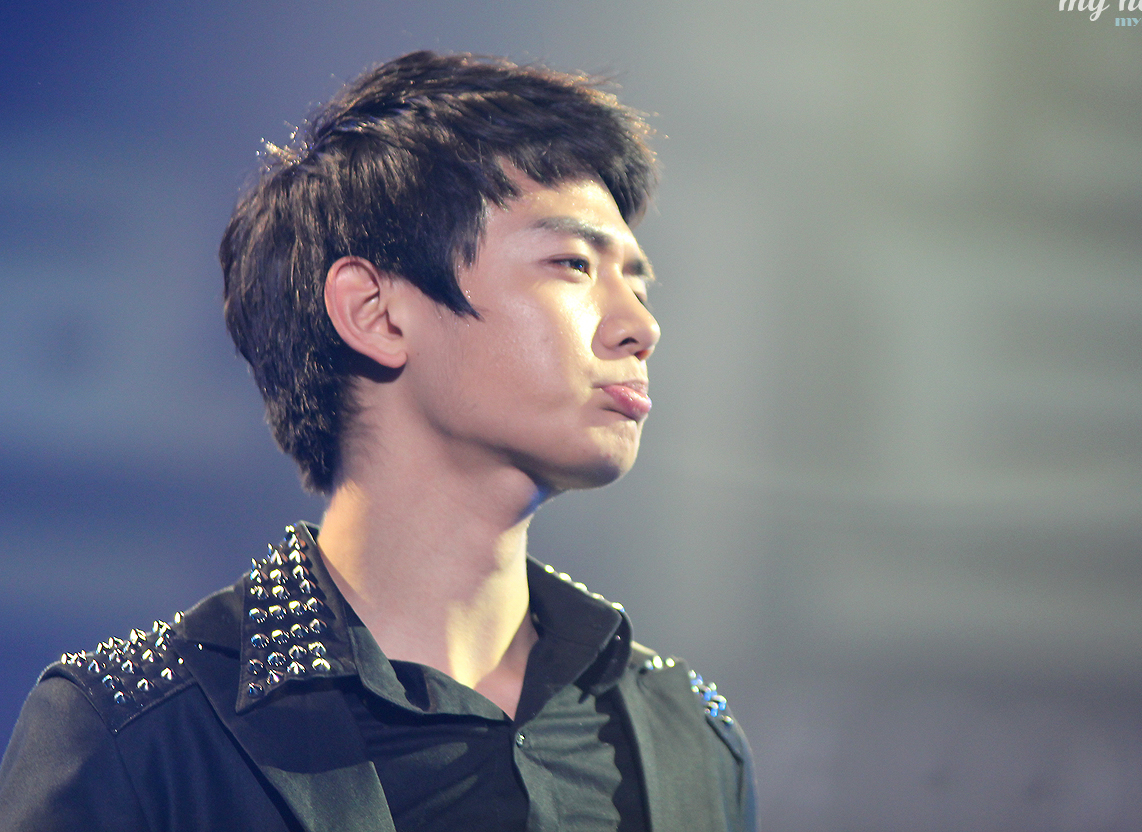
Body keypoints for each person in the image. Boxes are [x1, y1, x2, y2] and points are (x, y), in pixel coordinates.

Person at [0, 51, 755, 832]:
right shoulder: (139, 732)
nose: (640, 325)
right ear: (376, 313)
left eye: (637, 281)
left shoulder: (686, 739)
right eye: (573, 263)